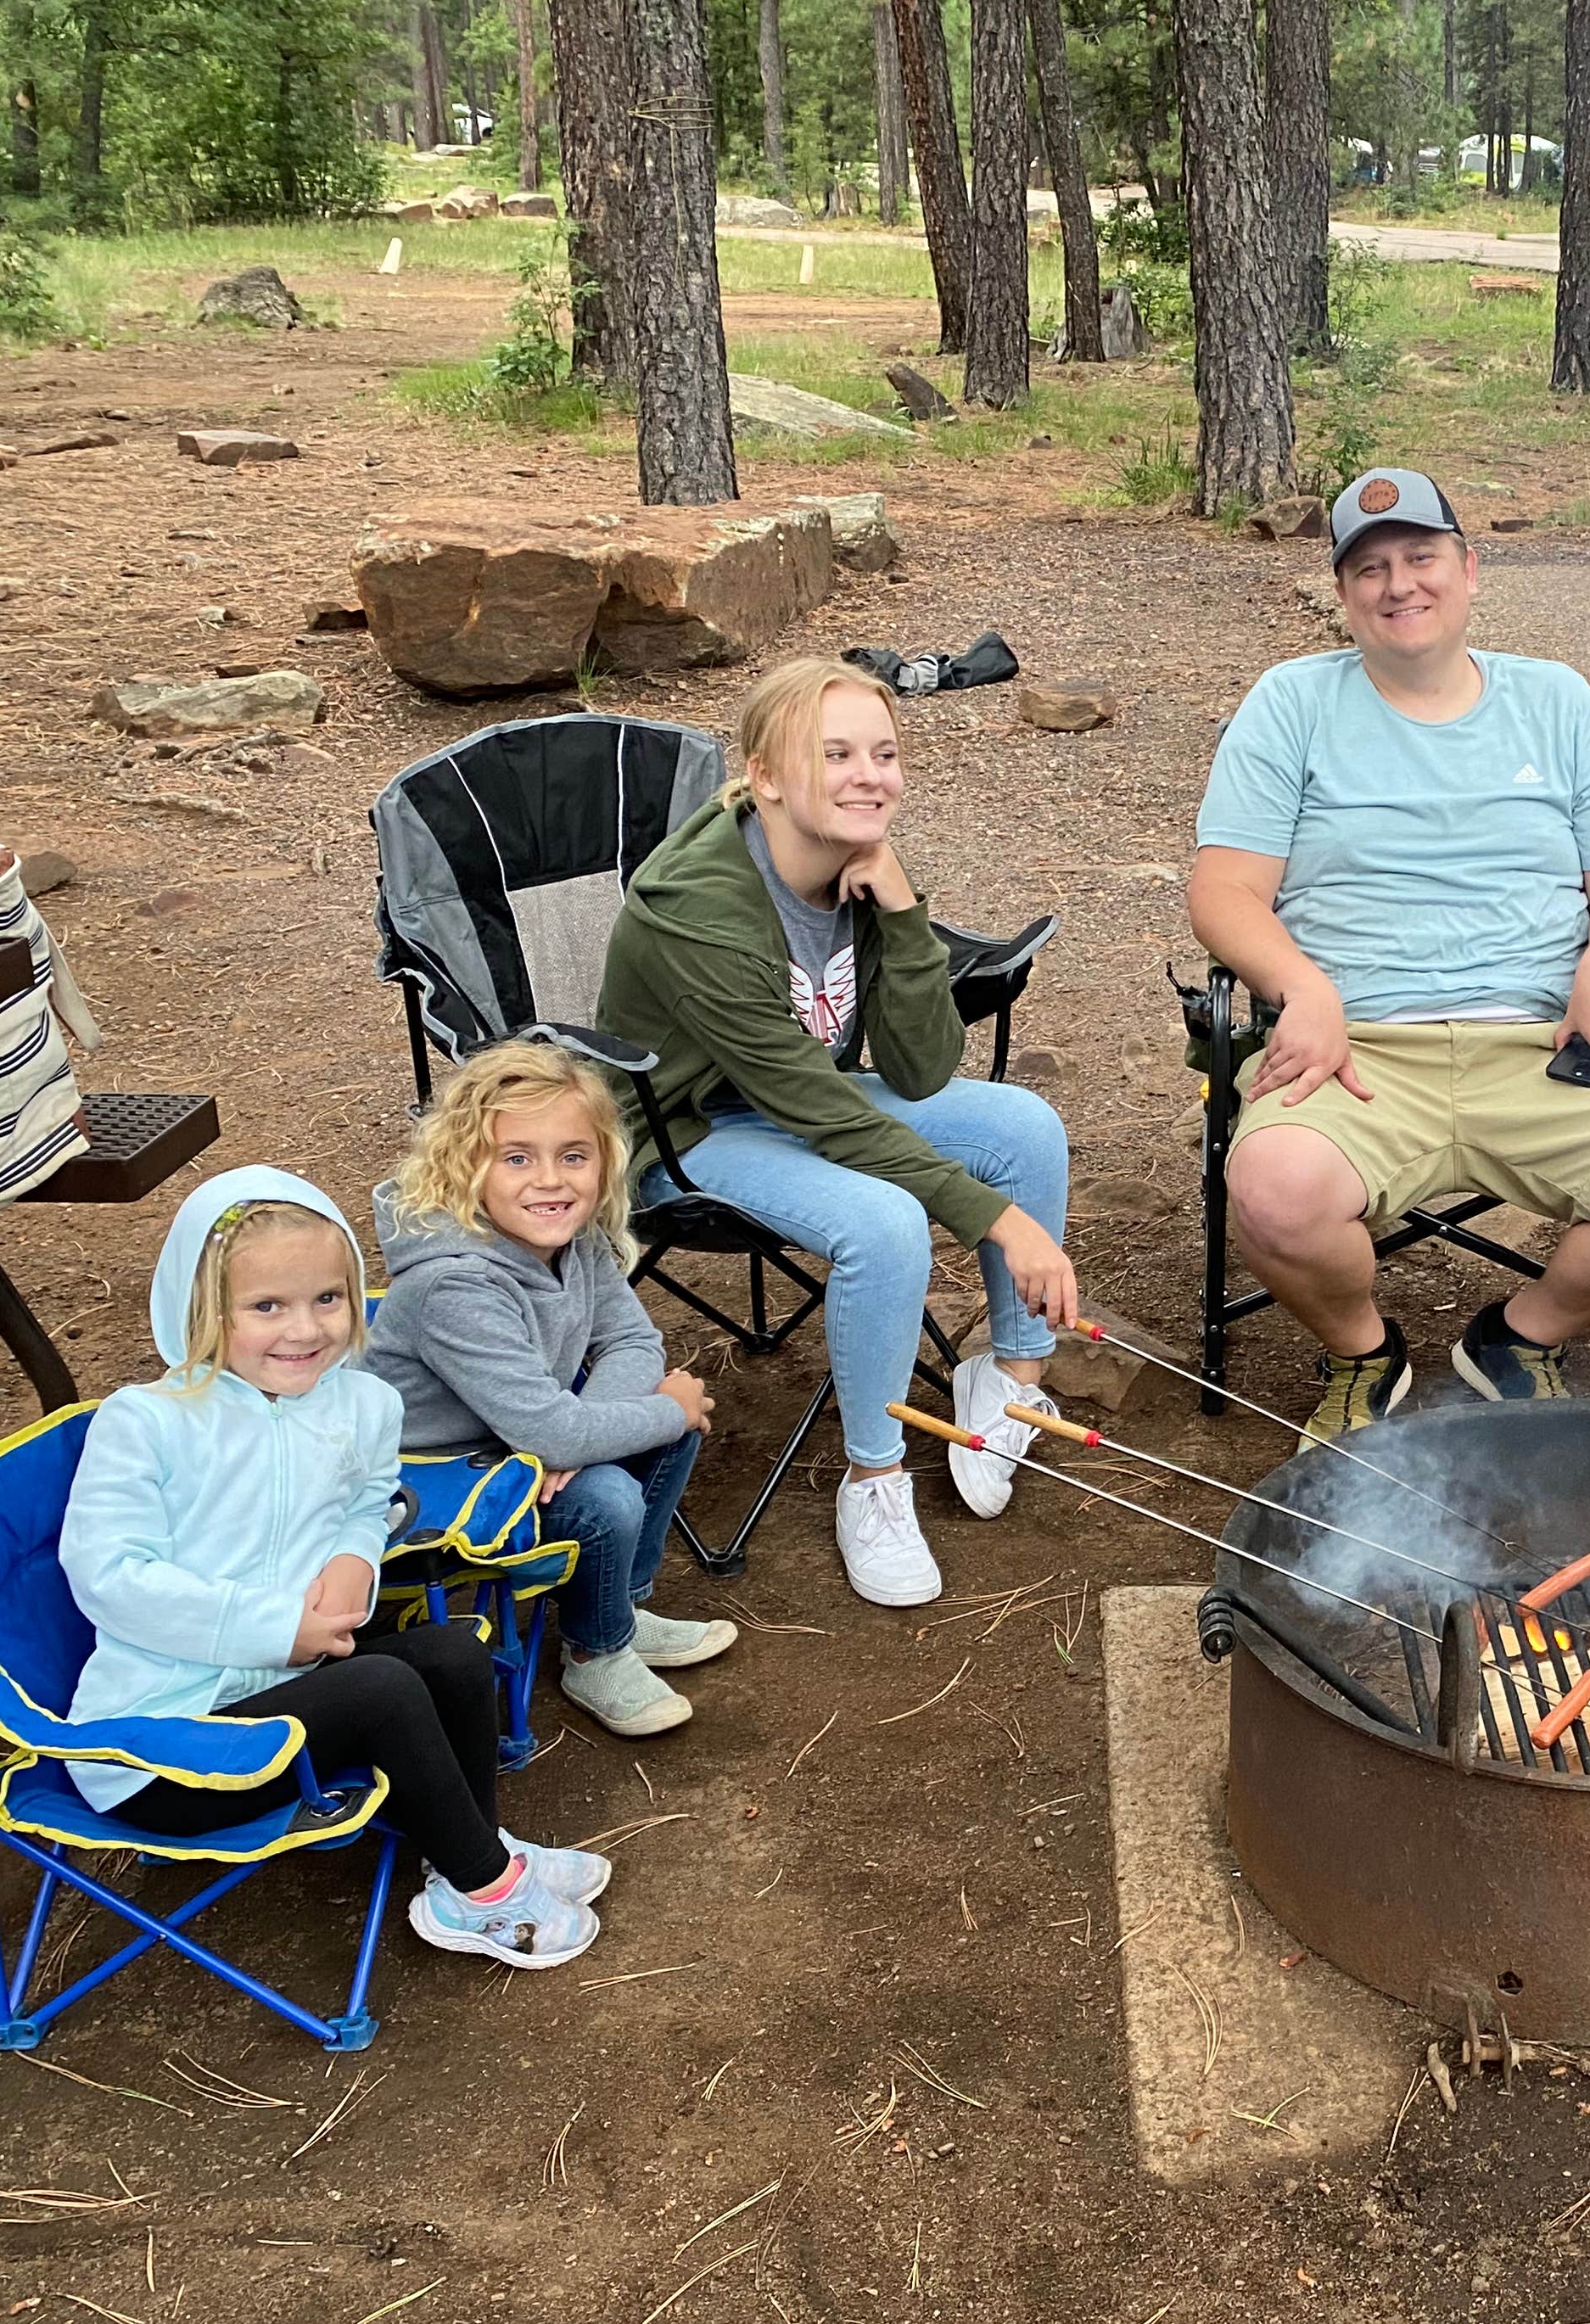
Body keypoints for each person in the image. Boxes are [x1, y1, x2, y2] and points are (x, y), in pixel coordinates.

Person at [1190, 467, 1590, 1437]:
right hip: (1354, 1050)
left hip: (1539, 1044)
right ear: (1344, 595)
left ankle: (1519, 1337)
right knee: (1274, 1192)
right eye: (1370, 569)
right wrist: (1300, 987)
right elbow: (1224, 891)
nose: (1399, 584)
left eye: (1421, 557)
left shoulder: (1557, 703)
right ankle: (1363, 1354)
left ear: (1470, 570)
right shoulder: (1291, 705)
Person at [599, 657, 1079, 1610]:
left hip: (799, 1093)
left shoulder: (860, 864)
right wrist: (999, 1222)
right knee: (886, 1219)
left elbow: (916, 1071)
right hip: (683, 1131)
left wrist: (904, 913)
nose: (872, 776)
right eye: (838, 755)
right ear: (766, 776)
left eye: (885, 753)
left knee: (1025, 1125)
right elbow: (821, 1113)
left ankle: (1011, 1381)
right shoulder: (700, 910)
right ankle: (874, 1480)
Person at [58, 1166, 608, 1970]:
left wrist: (358, 1557)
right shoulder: (149, 1422)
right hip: (161, 1748)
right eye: (266, 1306)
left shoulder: (362, 1404)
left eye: (328, 1298)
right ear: (205, 1310)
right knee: (379, 1686)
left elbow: (369, 1502)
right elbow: (106, 1573)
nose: (304, 1329)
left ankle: (469, 1859)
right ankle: (492, 1890)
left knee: (453, 1651)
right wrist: (278, 1629)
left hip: (288, 1700)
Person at [363, 1041, 736, 1742]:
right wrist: (584, 1434)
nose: (550, 1180)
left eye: (573, 1155)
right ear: (464, 1166)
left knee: (667, 1418)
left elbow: (632, 1343)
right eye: (516, 1158)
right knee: (611, 1491)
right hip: (429, 1485)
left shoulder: (573, 1238)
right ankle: (596, 1651)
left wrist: (583, 1431)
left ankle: (616, 1607)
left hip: (512, 1444)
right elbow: (554, 1434)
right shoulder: (453, 1283)